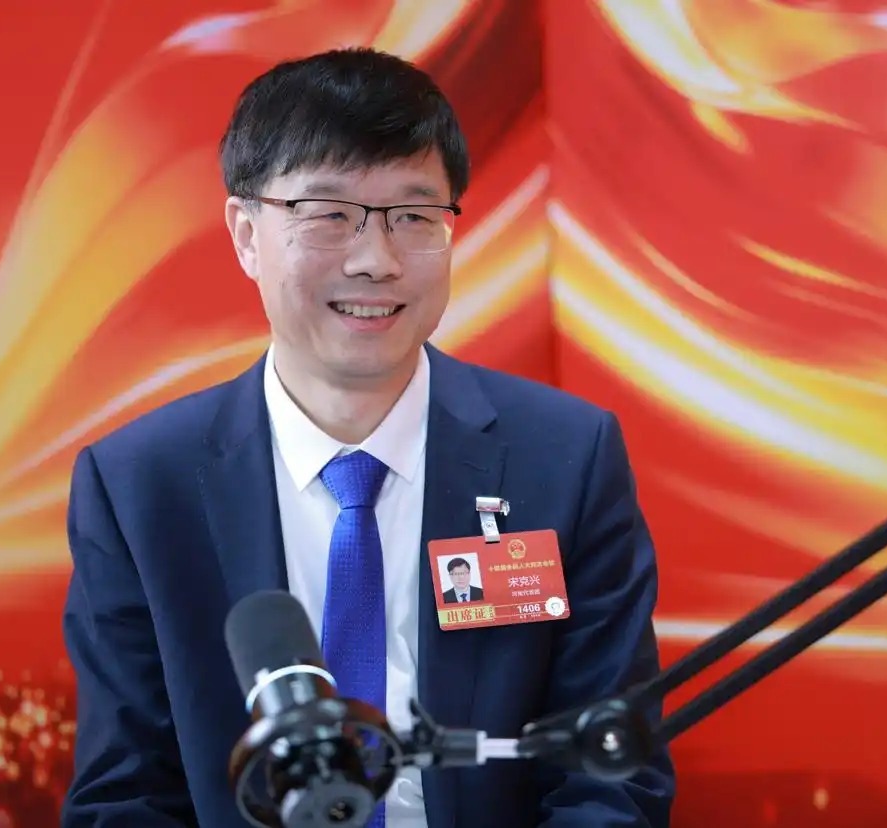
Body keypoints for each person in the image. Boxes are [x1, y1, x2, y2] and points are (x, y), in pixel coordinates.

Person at [61, 46, 675, 827]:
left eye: (413, 217)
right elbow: (126, 797)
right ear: (246, 233)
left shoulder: (565, 458)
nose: (376, 261)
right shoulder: (139, 485)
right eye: (329, 215)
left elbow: (611, 777)